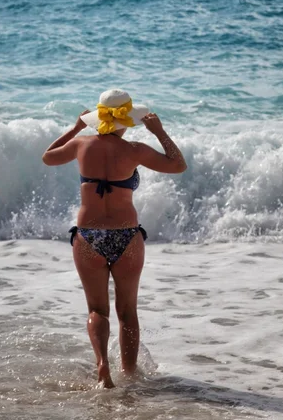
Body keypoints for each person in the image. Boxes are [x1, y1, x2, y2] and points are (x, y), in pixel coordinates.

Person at [42, 89, 187, 388]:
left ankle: (102, 367)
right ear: (126, 120)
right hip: (126, 238)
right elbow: (178, 165)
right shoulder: (135, 150)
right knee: (127, 312)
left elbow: (47, 157)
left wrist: (76, 127)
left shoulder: (81, 146)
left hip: (88, 237)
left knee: (97, 310)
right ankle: (130, 376)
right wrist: (159, 132)